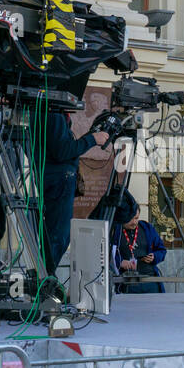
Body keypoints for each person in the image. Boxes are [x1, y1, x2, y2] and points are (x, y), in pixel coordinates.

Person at [41, 109, 110, 275]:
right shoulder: (54, 113)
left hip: (55, 180)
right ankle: (44, 281)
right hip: (59, 182)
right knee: (59, 236)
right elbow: (63, 151)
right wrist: (93, 139)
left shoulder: (51, 113)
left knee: (55, 236)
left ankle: (44, 279)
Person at [112, 198, 167, 294]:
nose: (134, 222)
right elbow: (105, 254)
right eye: (130, 219)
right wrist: (119, 262)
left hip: (149, 279)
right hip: (128, 282)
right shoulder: (114, 231)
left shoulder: (147, 228)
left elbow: (162, 250)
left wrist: (154, 257)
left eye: (136, 218)